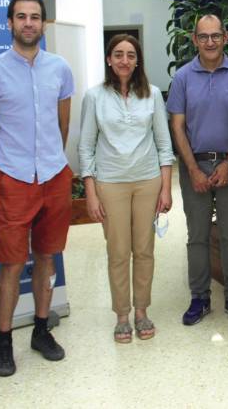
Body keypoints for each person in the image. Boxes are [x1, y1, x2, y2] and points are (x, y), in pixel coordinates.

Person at [0, 0, 73, 377]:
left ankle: (41, 330)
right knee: (12, 264)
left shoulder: (60, 68)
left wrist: (51, 160)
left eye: (35, 17)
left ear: (44, 24)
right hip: (14, 179)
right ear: (10, 22)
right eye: (21, 17)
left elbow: (63, 123)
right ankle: (3, 342)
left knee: (47, 257)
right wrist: (3, 169)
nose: (28, 23)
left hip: (53, 175)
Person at [78, 34, 175, 343]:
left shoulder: (153, 95)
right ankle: (122, 315)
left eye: (130, 55)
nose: (124, 60)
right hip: (111, 184)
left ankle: (142, 311)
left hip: (148, 182)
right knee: (118, 251)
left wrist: (166, 188)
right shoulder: (94, 97)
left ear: (137, 61)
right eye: (118, 54)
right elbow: (85, 148)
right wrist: (90, 192)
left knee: (144, 250)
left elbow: (163, 143)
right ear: (109, 59)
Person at [168, 14, 228, 325]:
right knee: (198, 236)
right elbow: (177, 127)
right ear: (194, 39)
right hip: (195, 165)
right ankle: (199, 298)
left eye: (215, 35)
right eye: (203, 36)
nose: (209, 42)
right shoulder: (181, 78)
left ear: (225, 37)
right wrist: (191, 169)